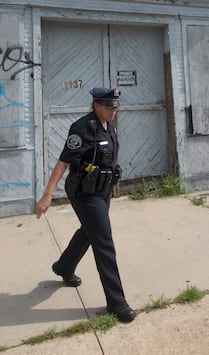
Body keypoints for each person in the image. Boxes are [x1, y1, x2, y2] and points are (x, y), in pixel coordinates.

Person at [36, 87, 135, 323]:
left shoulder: (108, 125)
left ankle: (64, 266)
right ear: (96, 105)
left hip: (102, 190)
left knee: (90, 232)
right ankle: (116, 302)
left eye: (115, 106)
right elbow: (62, 162)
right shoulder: (82, 128)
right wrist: (47, 195)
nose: (114, 110)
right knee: (104, 242)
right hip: (83, 193)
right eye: (109, 106)